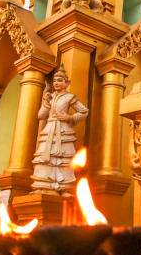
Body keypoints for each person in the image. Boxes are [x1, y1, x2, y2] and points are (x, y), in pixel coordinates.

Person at [31, 65, 89, 195]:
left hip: (63, 130)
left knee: (63, 159)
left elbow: (84, 112)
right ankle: (44, 184)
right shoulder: (50, 97)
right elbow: (41, 116)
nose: (56, 83)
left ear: (67, 83)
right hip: (50, 129)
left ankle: (64, 187)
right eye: (55, 81)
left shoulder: (69, 97)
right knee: (46, 157)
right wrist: (45, 102)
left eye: (60, 80)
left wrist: (69, 117)